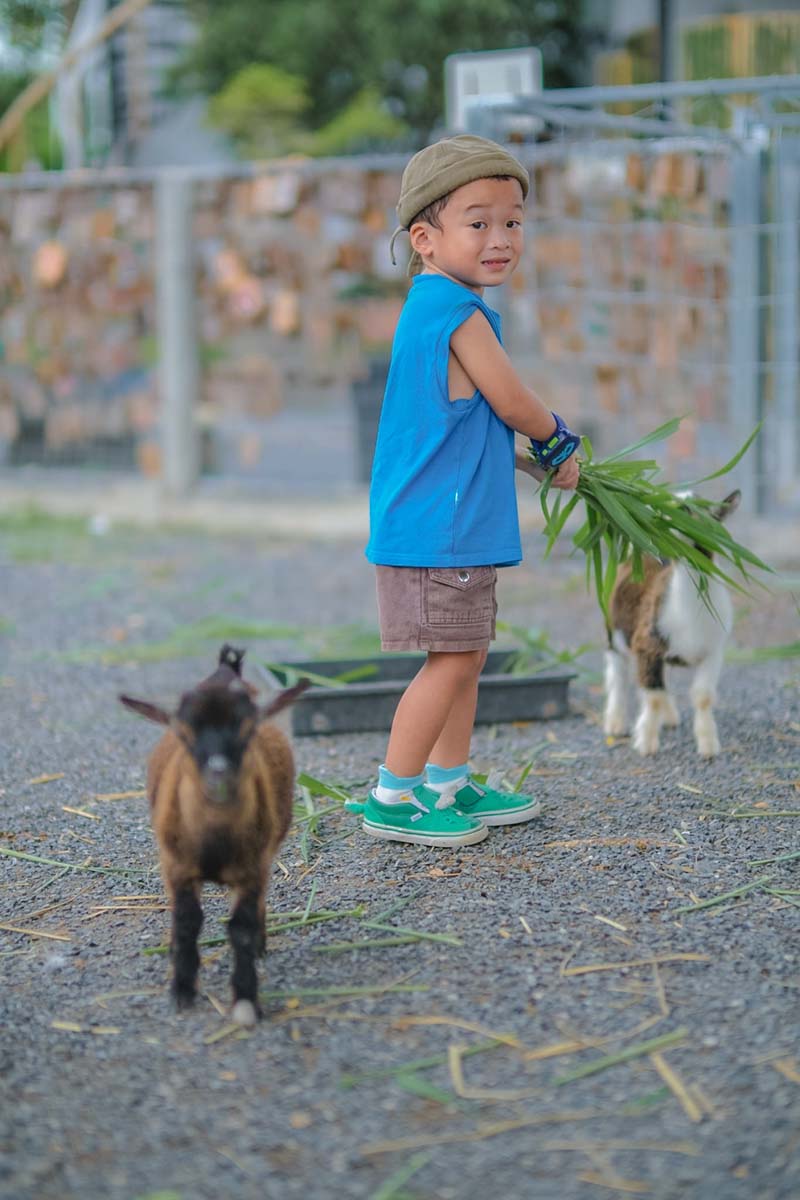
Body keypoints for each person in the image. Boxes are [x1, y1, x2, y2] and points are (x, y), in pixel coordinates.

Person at [345, 134, 580, 848]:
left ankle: (447, 781)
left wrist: (524, 460)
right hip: (438, 533)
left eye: (513, 222)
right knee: (447, 660)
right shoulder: (457, 315)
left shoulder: (435, 309)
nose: (501, 238)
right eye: (478, 223)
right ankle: (394, 794)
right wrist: (556, 441)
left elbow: (459, 429)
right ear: (425, 237)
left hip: (446, 526)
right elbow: (511, 400)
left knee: (466, 653)